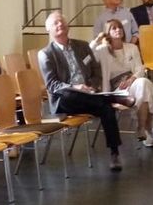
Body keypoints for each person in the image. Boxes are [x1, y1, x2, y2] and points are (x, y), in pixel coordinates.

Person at [37, 11, 134, 171]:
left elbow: (96, 71)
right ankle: (112, 98)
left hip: (89, 96)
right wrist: (76, 87)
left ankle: (114, 153)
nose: (60, 24)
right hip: (65, 100)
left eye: (62, 21)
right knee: (71, 94)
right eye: (55, 23)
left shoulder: (82, 46)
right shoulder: (46, 54)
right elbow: (53, 85)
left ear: (68, 26)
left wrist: (92, 87)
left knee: (106, 109)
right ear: (49, 30)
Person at [90, 19, 153, 147]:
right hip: (116, 89)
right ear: (108, 32)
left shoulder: (132, 47)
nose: (118, 30)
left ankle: (141, 127)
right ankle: (146, 129)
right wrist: (97, 40)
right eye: (114, 28)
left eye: (120, 27)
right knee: (146, 90)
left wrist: (131, 80)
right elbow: (87, 54)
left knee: (143, 84)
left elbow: (140, 68)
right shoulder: (102, 50)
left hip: (132, 82)